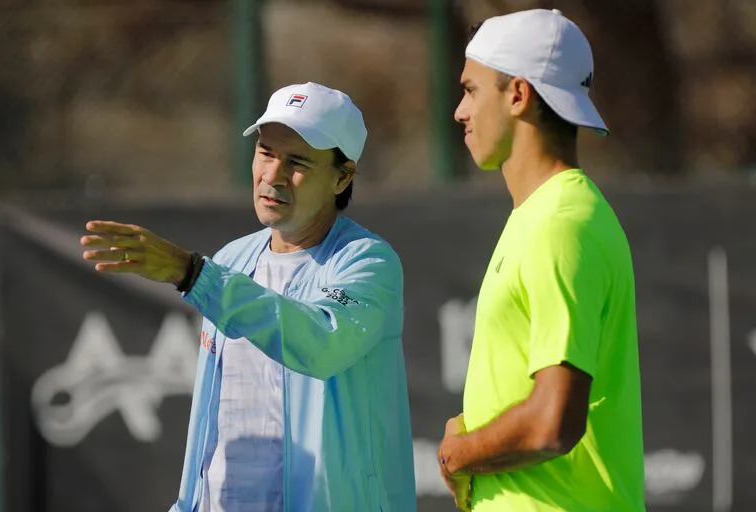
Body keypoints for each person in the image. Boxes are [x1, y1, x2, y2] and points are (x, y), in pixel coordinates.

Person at [81, 82, 416, 512]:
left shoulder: (368, 263)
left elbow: (322, 343)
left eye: (297, 162)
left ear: (343, 176)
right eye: (266, 153)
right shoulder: (231, 260)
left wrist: (192, 273)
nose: (272, 176)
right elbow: (214, 420)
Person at [437, 9, 645, 512]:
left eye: (470, 90)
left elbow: (554, 420)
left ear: (518, 95)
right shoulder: (545, 216)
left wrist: (458, 452)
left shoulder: (562, 223)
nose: (459, 112)